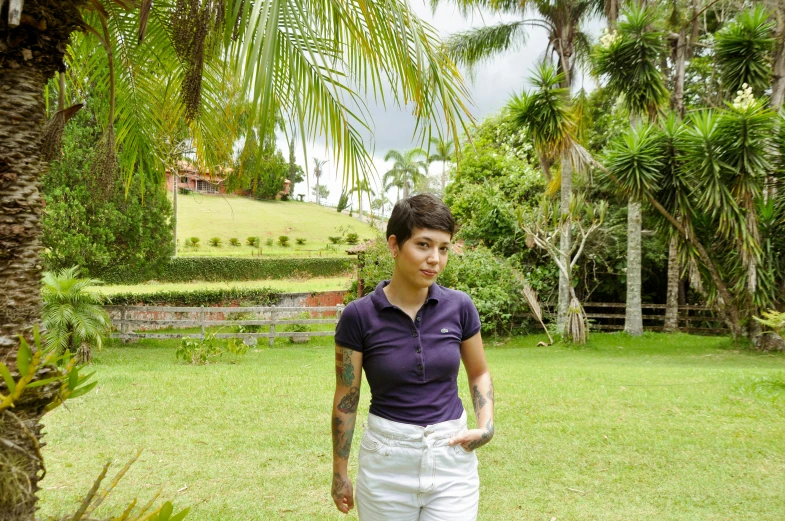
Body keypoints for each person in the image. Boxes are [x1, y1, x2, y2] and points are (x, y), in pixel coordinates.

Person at [331, 194, 495, 521]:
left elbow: (479, 372)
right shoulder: (359, 316)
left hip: (451, 460)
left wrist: (486, 427)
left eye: (443, 248)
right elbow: (347, 396)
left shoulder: (460, 307)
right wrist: (339, 473)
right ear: (394, 245)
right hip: (387, 463)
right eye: (423, 245)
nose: (435, 258)